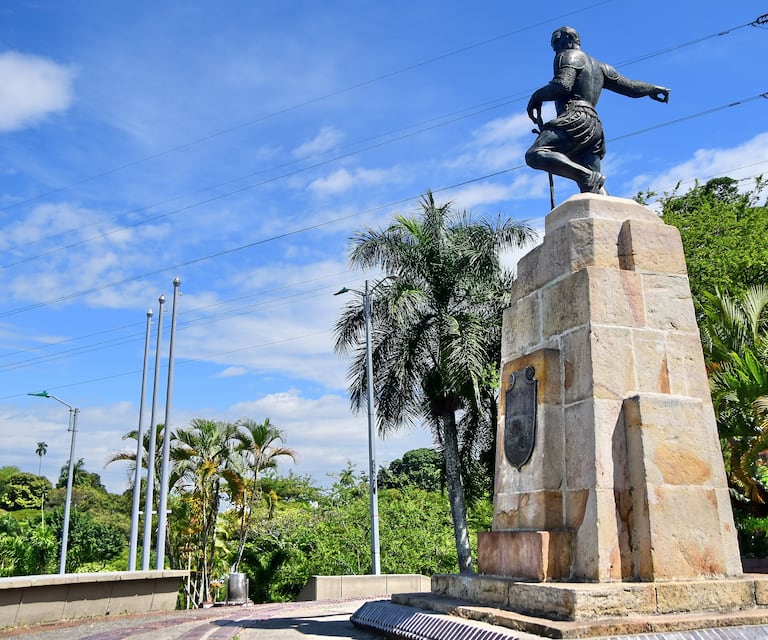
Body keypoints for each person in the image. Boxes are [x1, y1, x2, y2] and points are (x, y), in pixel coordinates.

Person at [525, 26, 670, 194]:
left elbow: (563, 85)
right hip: (594, 126)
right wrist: (652, 88)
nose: (555, 49)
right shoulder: (602, 67)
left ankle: (584, 176)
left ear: (568, 40)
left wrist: (536, 97)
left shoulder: (568, 56)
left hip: (574, 118)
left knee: (535, 154)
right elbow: (630, 87)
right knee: (594, 187)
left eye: (556, 43)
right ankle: (606, 203)